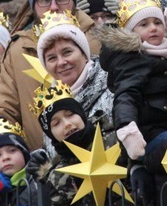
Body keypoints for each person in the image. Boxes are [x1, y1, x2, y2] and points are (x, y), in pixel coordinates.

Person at [0, 0, 99, 152]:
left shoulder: (97, 37)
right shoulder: (17, 50)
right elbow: (3, 110)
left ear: (74, 1)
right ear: (33, 6)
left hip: (104, 154)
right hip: (45, 166)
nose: (54, 7)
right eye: (45, 0)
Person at [27, 83, 127, 206]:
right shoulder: (58, 175)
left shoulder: (116, 140)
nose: (67, 124)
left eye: (70, 114)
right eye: (56, 123)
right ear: (51, 134)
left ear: (81, 114)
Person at [97, 0, 167, 202]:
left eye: (157, 22)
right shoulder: (135, 59)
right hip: (147, 137)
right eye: (144, 24)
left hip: (166, 129)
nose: (153, 28)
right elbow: (126, 96)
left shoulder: (166, 54)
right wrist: (128, 130)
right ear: (131, 33)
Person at [35, 10, 114, 154]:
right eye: (52, 58)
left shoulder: (113, 85)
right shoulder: (49, 105)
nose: (61, 62)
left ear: (84, 54)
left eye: (67, 52)